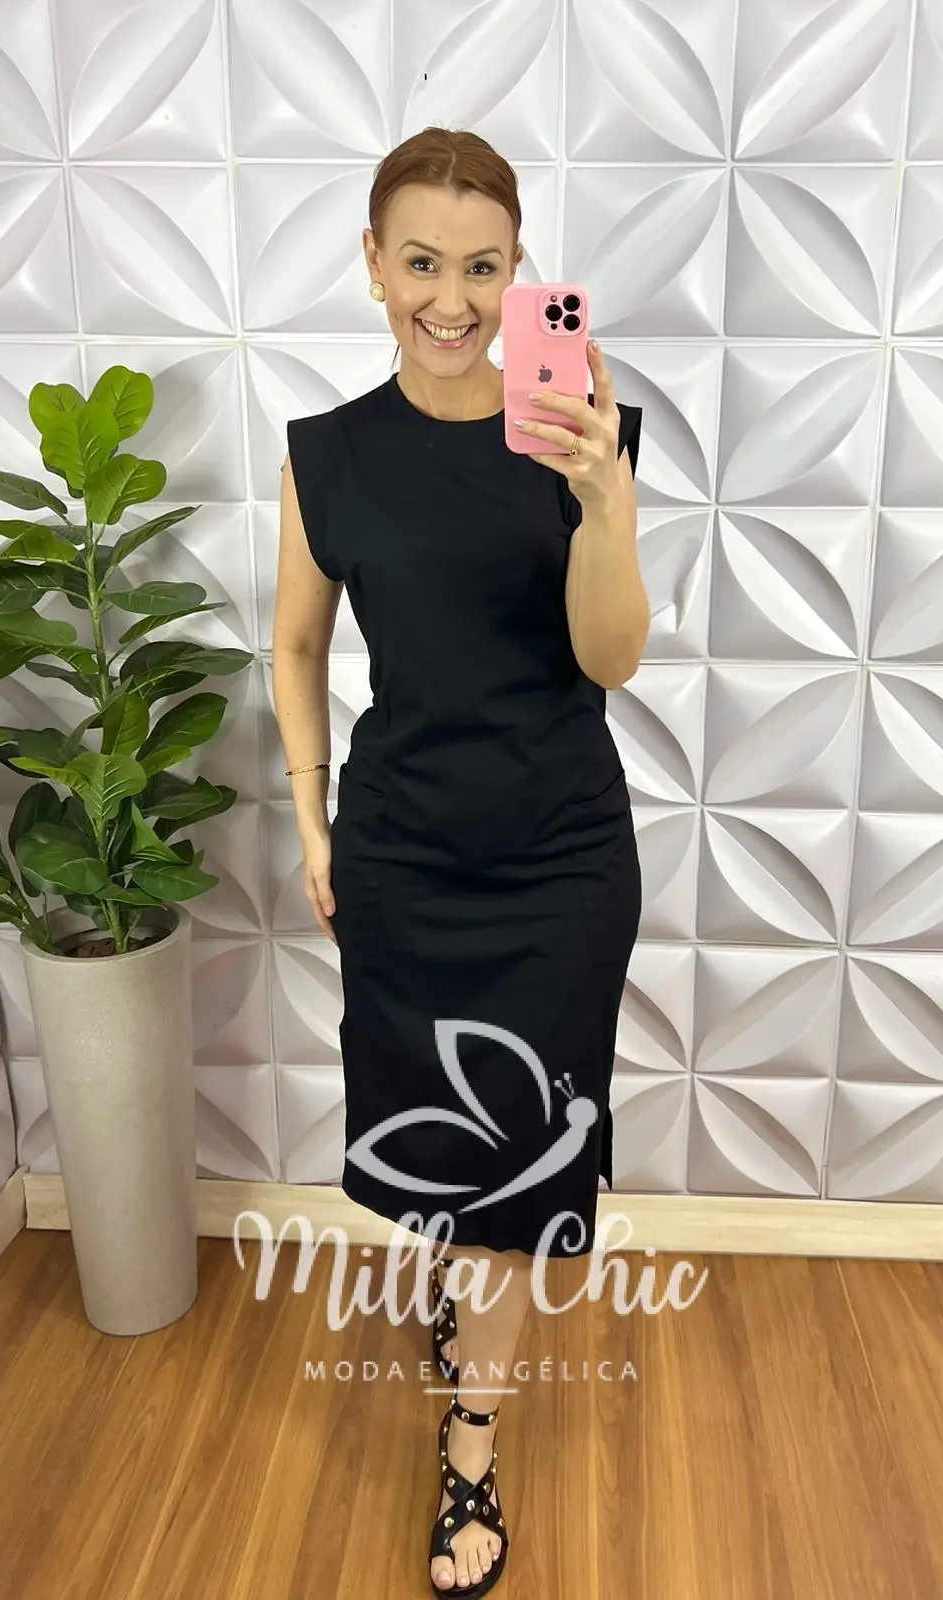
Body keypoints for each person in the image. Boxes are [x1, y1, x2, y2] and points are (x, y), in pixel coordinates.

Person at [272, 126, 646, 1597]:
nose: (452, 298)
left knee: (520, 1166)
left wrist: (607, 500)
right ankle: (463, 1296)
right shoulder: (328, 456)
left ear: (519, 274)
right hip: (405, 858)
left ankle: (472, 1438)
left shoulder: (577, 435)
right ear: (373, 264)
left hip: (561, 864)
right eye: (421, 262)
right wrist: (313, 820)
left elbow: (608, 659)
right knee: (444, 1154)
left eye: (483, 268)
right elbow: (296, 645)